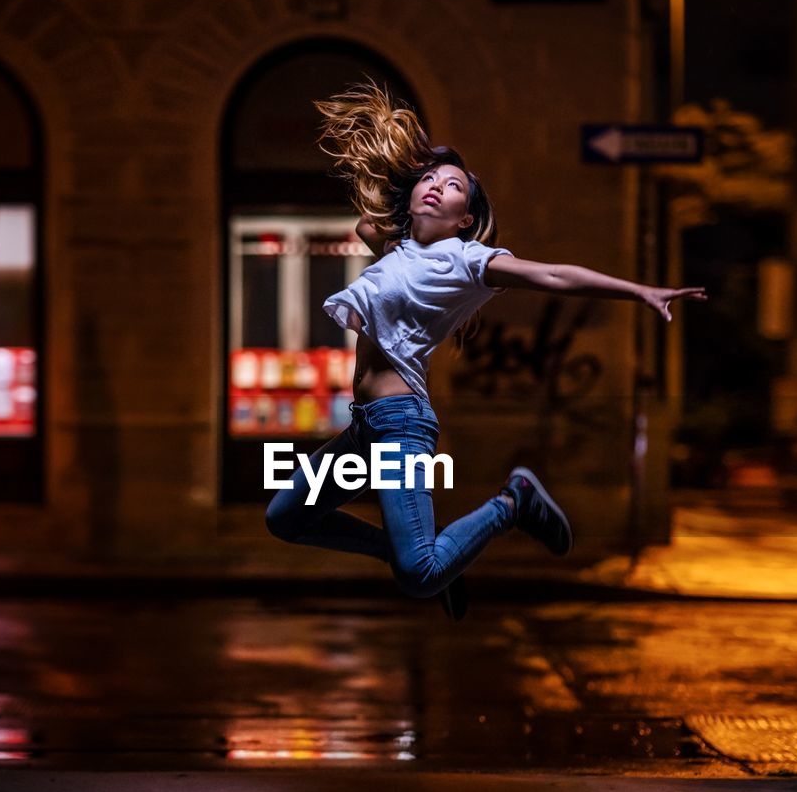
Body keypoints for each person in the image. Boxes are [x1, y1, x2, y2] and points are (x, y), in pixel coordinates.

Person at [265, 81, 706, 620]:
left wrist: (640, 291)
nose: (435, 186)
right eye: (429, 178)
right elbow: (368, 222)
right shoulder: (398, 247)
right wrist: (411, 183)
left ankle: (512, 502)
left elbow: (552, 274)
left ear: (465, 217)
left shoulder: (467, 260)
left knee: (419, 575)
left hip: (401, 421)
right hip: (364, 426)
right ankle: (428, 556)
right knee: (287, 516)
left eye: (453, 188)